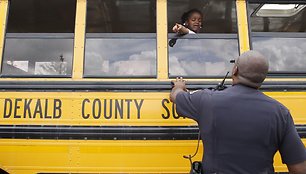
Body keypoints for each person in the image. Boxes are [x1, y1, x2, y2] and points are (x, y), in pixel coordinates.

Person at [170, 50, 306, 173]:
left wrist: (179, 86)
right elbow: (299, 168)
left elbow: (175, 97)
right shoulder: (280, 113)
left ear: (235, 70)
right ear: (263, 77)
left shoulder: (207, 100)